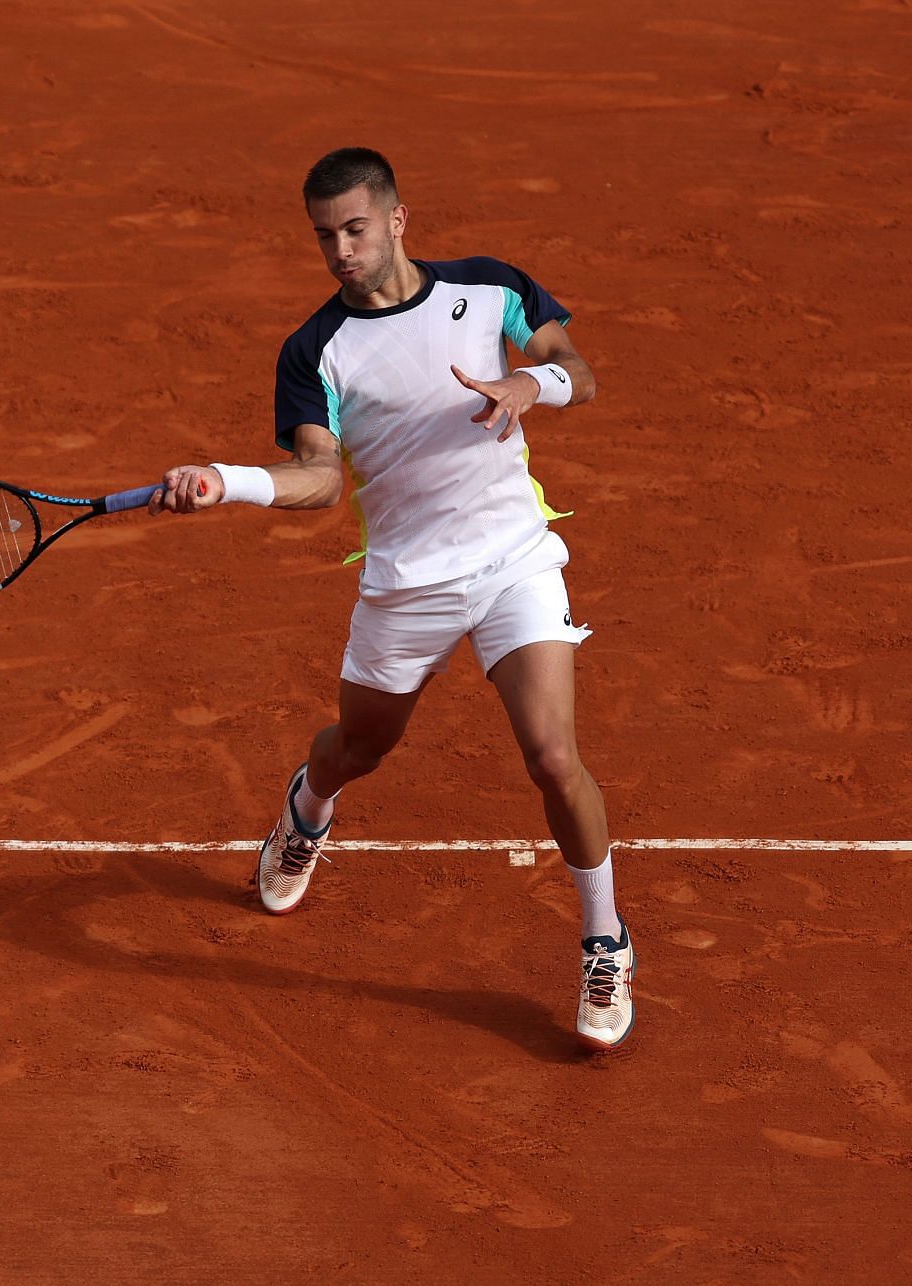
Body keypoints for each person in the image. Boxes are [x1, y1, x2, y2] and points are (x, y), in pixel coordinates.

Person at [148, 147, 634, 1052]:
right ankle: (308, 809)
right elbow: (321, 479)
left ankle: (605, 938)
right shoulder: (315, 350)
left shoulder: (490, 292)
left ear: (399, 219)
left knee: (553, 755)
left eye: (356, 229)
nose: (340, 250)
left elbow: (578, 368)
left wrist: (524, 384)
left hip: (512, 562)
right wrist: (227, 480)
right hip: (407, 583)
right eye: (325, 236)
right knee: (358, 749)